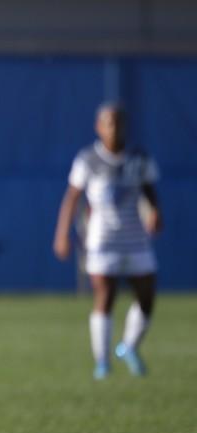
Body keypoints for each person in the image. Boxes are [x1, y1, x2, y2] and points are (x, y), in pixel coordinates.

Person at [53, 101, 162, 380]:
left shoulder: (139, 157)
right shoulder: (88, 159)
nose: (114, 128)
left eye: (119, 122)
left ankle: (129, 346)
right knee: (106, 294)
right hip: (102, 240)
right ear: (98, 127)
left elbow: (150, 192)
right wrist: (62, 234)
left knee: (147, 295)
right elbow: (72, 199)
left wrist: (156, 213)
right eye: (109, 122)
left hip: (135, 238)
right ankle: (102, 363)